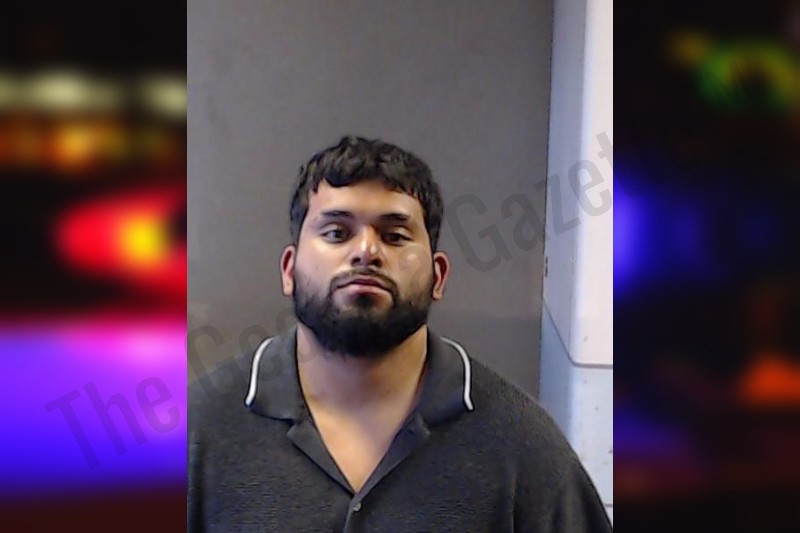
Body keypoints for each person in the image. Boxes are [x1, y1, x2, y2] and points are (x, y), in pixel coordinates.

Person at [188, 136, 612, 532]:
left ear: (438, 276)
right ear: (289, 270)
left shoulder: (522, 445)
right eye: (336, 233)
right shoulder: (196, 433)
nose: (366, 251)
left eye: (394, 236)